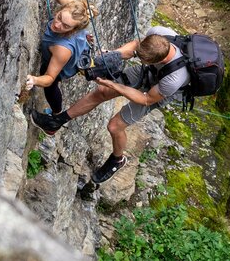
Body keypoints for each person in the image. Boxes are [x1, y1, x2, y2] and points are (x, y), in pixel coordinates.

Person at [31, 26, 189, 183]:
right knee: (102, 91)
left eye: (143, 60)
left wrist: (115, 86)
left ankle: (117, 160)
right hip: (151, 72)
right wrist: (113, 55)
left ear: (159, 61)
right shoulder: (158, 33)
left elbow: (145, 99)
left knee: (115, 126)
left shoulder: (174, 79)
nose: (139, 59)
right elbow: (135, 45)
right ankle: (56, 122)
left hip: (158, 92)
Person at [25, 0, 98, 115]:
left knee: (50, 81)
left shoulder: (61, 49)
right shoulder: (72, 9)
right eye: (58, 18)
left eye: (65, 26)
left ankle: (56, 114)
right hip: (73, 45)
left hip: (65, 62)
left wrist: (34, 79)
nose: (57, 24)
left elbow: (49, 78)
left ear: (73, 30)